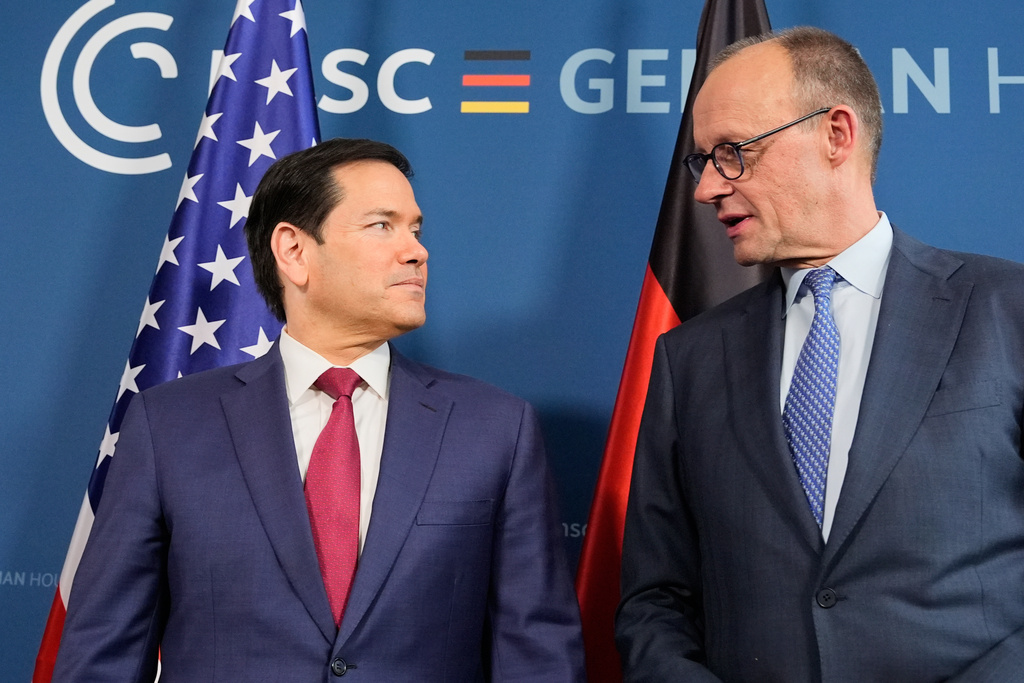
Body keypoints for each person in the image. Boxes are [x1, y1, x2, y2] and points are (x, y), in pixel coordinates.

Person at [53, 138, 586, 681]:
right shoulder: (167, 426)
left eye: (416, 229)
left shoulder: (497, 428)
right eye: (382, 225)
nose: (416, 251)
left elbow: (537, 654)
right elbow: (105, 655)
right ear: (293, 251)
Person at [616, 26, 1024, 682]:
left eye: (732, 153)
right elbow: (655, 599)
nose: (705, 189)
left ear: (836, 134)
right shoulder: (687, 360)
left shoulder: (1008, 310)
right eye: (703, 160)